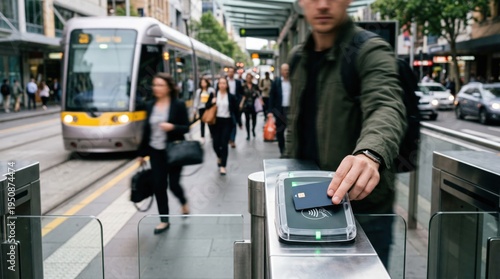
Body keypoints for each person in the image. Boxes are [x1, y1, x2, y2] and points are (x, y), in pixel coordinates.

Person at [286, 0, 407, 268]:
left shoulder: (370, 49)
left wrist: (369, 153)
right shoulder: (298, 57)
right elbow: (295, 125)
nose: (323, 5)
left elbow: (386, 105)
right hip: (306, 202)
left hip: (362, 211)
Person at [137, 73, 190, 235]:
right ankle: (164, 220)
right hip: (156, 152)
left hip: (173, 151)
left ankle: (183, 201)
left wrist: (172, 127)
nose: (156, 88)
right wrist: (141, 153)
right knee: (159, 186)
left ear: (168, 87)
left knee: (173, 184)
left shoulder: (178, 105)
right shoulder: (150, 105)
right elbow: (146, 130)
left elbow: (186, 127)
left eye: (160, 85)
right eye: (155, 85)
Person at [206, 77, 241, 175]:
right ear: (218, 85)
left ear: (227, 85)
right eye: (220, 83)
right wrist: (211, 102)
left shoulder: (231, 96)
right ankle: (219, 156)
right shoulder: (213, 95)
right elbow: (206, 106)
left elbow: (236, 110)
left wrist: (239, 122)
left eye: (224, 83)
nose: (222, 85)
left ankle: (223, 166)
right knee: (215, 144)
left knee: (224, 144)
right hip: (215, 122)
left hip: (227, 122)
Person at [268, 64, 291, 156]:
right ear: (281, 71)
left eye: (288, 70)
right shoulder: (276, 82)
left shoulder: (292, 82)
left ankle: (290, 151)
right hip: (279, 111)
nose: (286, 72)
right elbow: (271, 97)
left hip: (290, 110)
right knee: (280, 131)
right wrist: (270, 111)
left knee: (291, 131)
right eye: (285, 70)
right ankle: (282, 150)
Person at [225, 67, 244, 148]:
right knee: (227, 124)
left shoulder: (238, 82)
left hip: (234, 106)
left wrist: (240, 102)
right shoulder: (224, 82)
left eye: (232, 72)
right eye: (229, 72)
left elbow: (241, 93)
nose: (231, 73)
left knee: (233, 123)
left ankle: (232, 139)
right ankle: (228, 138)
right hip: (225, 105)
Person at [193, 77, 215, 143]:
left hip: (209, 108)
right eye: (202, 83)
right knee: (202, 123)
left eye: (204, 82)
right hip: (201, 108)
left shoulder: (211, 90)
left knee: (209, 121)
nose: (203, 84)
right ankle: (202, 136)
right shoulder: (198, 91)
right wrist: (195, 109)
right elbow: (196, 100)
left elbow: (214, 98)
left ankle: (212, 134)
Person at [240, 73, 260, 140]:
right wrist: (242, 103)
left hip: (254, 104)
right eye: (247, 78)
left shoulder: (255, 86)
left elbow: (258, 94)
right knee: (247, 120)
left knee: (254, 119)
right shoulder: (243, 86)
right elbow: (242, 95)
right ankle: (248, 134)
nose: (248, 79)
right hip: (246, 105)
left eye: (250, 78)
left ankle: (253, 129)